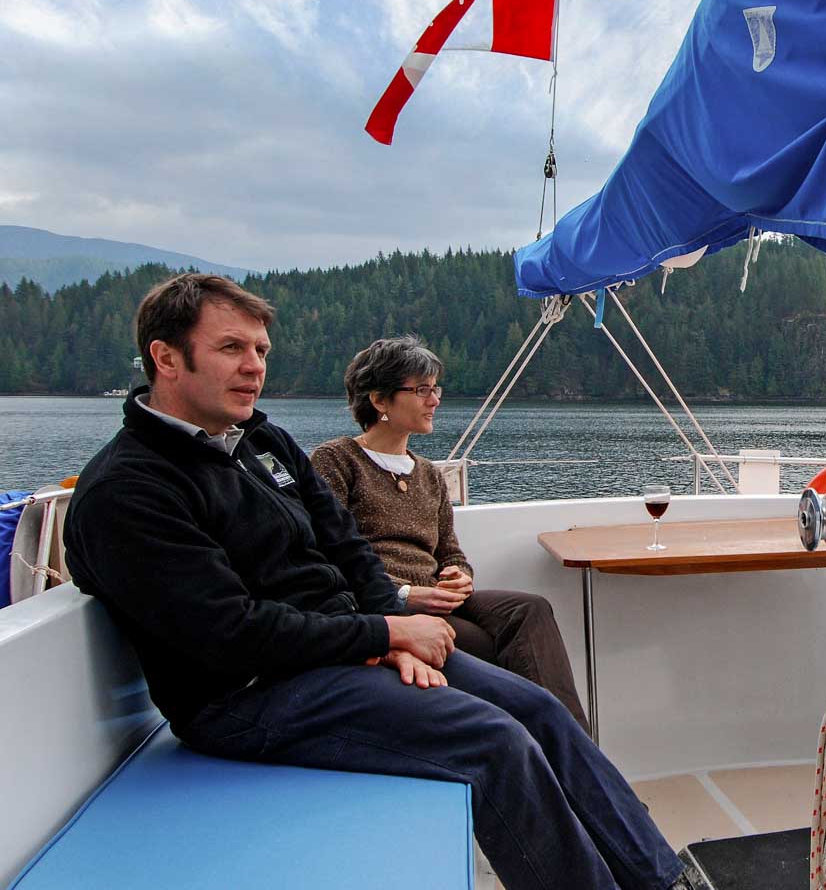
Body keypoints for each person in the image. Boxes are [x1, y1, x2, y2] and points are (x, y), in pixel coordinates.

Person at [63, 274, 697, 890]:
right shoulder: (131, 488)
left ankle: (660, 880)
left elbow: (346, 547)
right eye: (231, 348)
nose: (254, 366)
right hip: (247, 695)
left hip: (339, 653)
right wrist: (385, 629)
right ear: (166, 358)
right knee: (495, 742)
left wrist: (385, 634)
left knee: (538, 710)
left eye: (260, 350)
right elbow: (228, 632)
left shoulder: (260, 440)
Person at [310, 336, 588, 730]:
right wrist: (404, 593)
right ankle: (557, 753)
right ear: (379, 400)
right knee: (484, 642)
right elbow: (328, 552)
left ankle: (576, 744)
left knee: (529, 608)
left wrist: (461, 576)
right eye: (421, 389)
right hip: (380, 603)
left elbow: (451, 553)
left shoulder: (428, 473)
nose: (435, 400)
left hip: (438, 596)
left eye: (435, 388)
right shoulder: (336, 460)